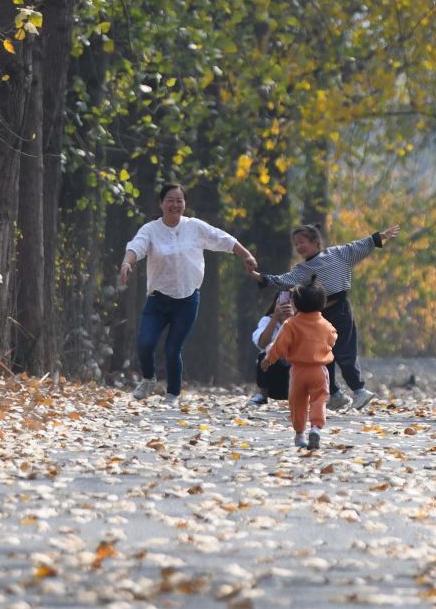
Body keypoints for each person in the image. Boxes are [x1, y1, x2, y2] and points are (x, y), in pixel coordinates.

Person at [118, 183, 260, 405]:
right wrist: (127, 263)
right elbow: (137, 245)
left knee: (173, 348)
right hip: (158, 299)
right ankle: (148, 379)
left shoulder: (194, 227)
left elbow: (221, 238)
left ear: (185, 204)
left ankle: (172, 394)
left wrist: (246, 255)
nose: (175, 205)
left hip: (187, 299)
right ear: (161, 203)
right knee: (145, 343)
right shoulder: (151, 230)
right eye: (170, 200)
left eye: (179, 200)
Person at [257, 222, 400, 412]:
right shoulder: (302, 269)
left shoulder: (338, 254)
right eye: (296, 244)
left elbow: (360, 245)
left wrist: (380, 237)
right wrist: (263, 279)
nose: (299, 247)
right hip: (319, 315)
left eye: (302, 242)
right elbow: (285, 280)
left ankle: (359, 390)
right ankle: (335, 394)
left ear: (316, 242)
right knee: (322, 355)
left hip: (340, 310)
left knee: (345, 352)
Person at [263, 283, 337, 451]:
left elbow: (279, 346)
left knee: (298, 402)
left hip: (297, 371)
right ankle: (316, 428)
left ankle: (299, 434)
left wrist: (269, 359)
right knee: (319, 399)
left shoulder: (291, 324)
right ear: (322, 303)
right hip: (318, 370)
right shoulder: (325, 325)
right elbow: (333, 339)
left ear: (295, 303)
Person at [248, 290, 295, 406]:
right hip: (273, 374)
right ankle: (262, 394)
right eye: (283, 301)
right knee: (264, 355)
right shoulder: (267, 321)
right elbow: (262, 343)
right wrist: (275, 319)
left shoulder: (302, 322)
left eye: (290, 302)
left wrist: (291, 321)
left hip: (293, 376)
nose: (286, 305)